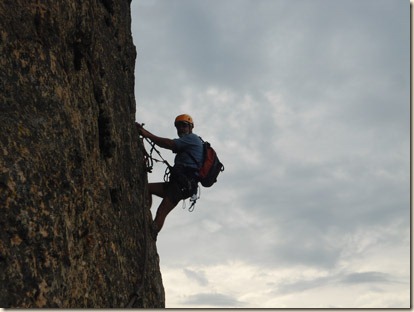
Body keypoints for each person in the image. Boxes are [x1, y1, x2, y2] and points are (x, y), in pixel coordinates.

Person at [136, 114, 203, 240]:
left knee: (161, 211)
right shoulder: (187, 141)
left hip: (182, 185)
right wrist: (144, 132)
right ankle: (145, 213)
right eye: (178, 126)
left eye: (184, 126)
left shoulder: (192, 139)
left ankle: (151, 237)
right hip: (177, 184)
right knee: (147, 188)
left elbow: (168, 143)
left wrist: (147, 134)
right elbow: (167, 142)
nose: (181, 129)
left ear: (191, 127)